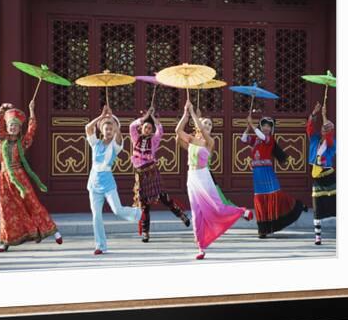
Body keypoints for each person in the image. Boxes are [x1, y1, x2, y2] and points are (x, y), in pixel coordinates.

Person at [176, 100, 252, 260]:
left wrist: (196, 116)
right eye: (206, 124)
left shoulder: (209, 142)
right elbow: (178, 130)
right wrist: (186, 113)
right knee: (197, 215)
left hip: (204, 177)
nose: (207, 127)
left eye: (210, 125)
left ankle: (241, 211)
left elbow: (202, 131)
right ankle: (201, 247)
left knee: (217, 208)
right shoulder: (190, 140)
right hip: (192, 179)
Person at [0, 101, 62, 252]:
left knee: (32, 203)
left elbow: (32, 129)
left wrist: (31, 110)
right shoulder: (2, 140)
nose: (12, 127)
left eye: (15, 125)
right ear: (7, 128)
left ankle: (54, 231)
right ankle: (5, 241)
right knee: (6, 210)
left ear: (19, 128)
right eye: (10, 125)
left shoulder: (23, 142)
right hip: (5, 179)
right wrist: (2, 110)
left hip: (20, 176)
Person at [85, 105, 142, 255]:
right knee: (96, 215)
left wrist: (111, 118)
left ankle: (137, 213)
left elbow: (118, 136)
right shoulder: (95, 143)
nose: (109, 131)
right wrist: (101, 116)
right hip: (94, 184)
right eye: (106, 128)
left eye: (111, 128)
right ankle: (100, 245)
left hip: (108, 183)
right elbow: (88, 128)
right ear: (101, 130)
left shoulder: (116, 146)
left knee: (117, 210)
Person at [130, 107, 190, 243]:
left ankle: (181, 215)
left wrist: (154, 119)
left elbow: (160, 131)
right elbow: (132, 126)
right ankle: (145, 233)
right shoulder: (136, 138)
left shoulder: (154, 141)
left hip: (152, 172)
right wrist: (145, 117)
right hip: (140, 174)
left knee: (164, 198)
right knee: (144, 204)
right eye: (146, 127)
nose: (148, 129)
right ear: (142, 128)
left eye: (150, 128)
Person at [241, 113, 307, 238]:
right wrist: (248, 128)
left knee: (276, 196)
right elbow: (243, 139)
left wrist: (252, 124)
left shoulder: (270, 140)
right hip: (257, 174)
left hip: (267, 172)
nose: (266, 128)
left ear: (272, 129)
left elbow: (261, 135)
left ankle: (297, 206)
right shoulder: (256, 140)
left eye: (268, 126)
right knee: (260, 200)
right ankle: (263, 229)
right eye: (264, 125)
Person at [307, 101, 336, 245]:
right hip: (317, 177)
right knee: (317, 206)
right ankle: (318, 236)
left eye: (328, 129)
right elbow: (310, 127)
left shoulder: (331, 143)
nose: (324, 130)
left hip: (329, 177)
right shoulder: (315, 139)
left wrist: (325, 116)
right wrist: (315, 113)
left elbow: (329, 138)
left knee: (335, 205)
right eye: (324, 129)